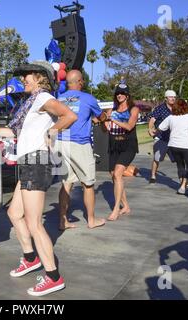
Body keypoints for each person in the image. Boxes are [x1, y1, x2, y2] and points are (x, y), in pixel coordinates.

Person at [0, 60, 77, 296]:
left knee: (34, 223)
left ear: (40, 78)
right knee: (14, 213)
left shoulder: (42, 98)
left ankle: (53, 277)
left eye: (27, 75)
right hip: (29, 162)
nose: (23, 79)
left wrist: (52, 131)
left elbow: (68, 115)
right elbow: (15, 132)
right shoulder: (30, 103)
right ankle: (31, 258)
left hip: (36, 162)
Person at [56, 69, 107, 230]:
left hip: (60, 143)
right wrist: (105, 116)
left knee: (66, 183)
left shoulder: (59, 98)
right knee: (88, 183)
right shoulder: (88, 98)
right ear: (80, 82)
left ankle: (62, 221)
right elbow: (100, 117)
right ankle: (91, 220)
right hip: (79, 144)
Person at [104, 83, 139, 221]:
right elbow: (106, 128)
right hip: (114, 144)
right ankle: (126, 206)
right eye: (117, 93)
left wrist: (113, 119)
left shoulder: (133, 109)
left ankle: (116, 209)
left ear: (127, 95)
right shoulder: (111, 110)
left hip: (128, 145)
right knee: (113, 175)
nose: (119, 95)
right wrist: (103, 122)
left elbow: (130, 126)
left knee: (118, 173)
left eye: (122, 93)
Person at [158, 99, 188, 194]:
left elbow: (161, 127)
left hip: (173, 145)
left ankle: (182, 186)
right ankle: (183, 186)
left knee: (180, 165)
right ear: (186, 107)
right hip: (185, 145)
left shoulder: (170, 117)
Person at [148, 90, 176, 184]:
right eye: (171, 97)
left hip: (174, 138)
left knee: (179, 159)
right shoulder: (160, 108)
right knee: (157, 158)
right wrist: (150, 129)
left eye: (174, 97)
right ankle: (153, 175)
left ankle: (184, 179)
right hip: (161, 137)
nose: (173, 99)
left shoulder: (177, 108)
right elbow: (152, 119)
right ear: (166, 98)